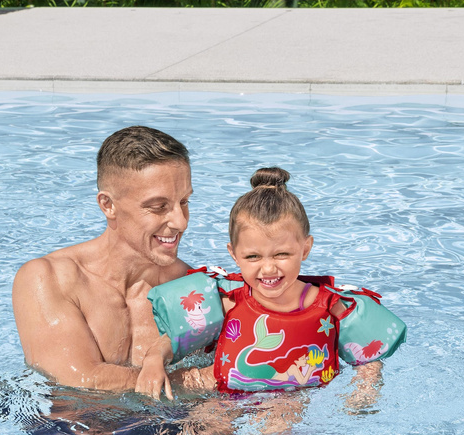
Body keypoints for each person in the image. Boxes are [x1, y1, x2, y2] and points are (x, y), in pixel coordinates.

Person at [146, 166, 383, 395]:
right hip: (225, 396)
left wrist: (364, 390)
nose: (268, 268)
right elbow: (173, 340)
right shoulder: (229, 301)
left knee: (286, 409)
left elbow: (368, 358)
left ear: (305, 248)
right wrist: (154, 360)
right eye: (253, 257)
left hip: (293, 399)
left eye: (282, 254)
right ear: (234, 254)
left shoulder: (332, 306)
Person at [12, 126, 196, 401]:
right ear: (108, 205)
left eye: (184, 201)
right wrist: (199, 380)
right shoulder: (49, 278)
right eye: (159, 206)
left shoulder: (189, 285)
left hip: (167, 420)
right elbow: (77, 380)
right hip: (68, 422)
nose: (181, 222)